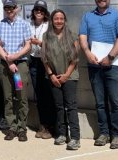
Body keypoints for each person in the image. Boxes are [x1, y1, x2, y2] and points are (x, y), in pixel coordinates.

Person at [79, 0, 118, 149]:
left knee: (115, 101)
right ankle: (104, 133)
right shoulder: (87, 16)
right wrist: (87, 52)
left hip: (113, 65)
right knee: (100, 102)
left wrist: (110, 57)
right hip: (94, 65)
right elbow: (83, 36)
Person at [42, 9, 81, 150]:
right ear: (52, 21)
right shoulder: (46, 37)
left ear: (65, 20)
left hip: (69, 77)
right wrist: (51, 75)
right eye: (56, 19)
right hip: (53, 77)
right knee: (58, 107)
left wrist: (66, 75)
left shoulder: (72, 36)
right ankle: (62, 134)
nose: (59, 21)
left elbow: (75, 59)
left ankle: (75, 137)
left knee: (71, 106)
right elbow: (44, 59)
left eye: (61, 19)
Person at [0, 0, 32, 142]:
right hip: (6, 64)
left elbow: (28, 45)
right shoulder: (1, 25)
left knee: (21, 95)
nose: (9, 11)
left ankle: (22, 128)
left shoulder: (24, 24)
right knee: (8, 97)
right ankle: (12, 127)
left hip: (20, 65)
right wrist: (8, 60)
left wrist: (15, 57)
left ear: (16, 8)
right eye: (6, 8)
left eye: (11, 8)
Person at [28, 0, 54, 140]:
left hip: (47, 61)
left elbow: (54, 43)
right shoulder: (29, 25)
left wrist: (40, 42)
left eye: (42, 10)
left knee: (48, 94)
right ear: (33, 11)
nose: (39, 12)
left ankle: (50, 126)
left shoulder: (49, 25)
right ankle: (42, 124)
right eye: (37, 9)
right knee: (39, 94)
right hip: (33, 61)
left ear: (45, 13)